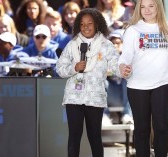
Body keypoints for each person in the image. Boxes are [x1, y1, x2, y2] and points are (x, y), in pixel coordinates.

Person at [117, 0, 168, 156]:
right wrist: (123, 67)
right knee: (142, 129)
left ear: (159, 7)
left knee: (162, 127)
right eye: (143, 6)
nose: (147, 10)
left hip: (162, 84)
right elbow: (125, 58)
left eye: (151, 6)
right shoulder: (133, 30)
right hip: (137, 87)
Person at [56, 8, 120, 157]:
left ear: (97, 24)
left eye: (89, 23)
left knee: (95, 137)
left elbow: (116, 67)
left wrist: (124, 70)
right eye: (82, 24)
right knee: (74, 136)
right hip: (73, 97)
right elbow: (60, 69)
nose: (86, 27)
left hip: (95, 98)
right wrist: (74, 67)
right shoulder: (72, 45)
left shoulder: (106, 45)